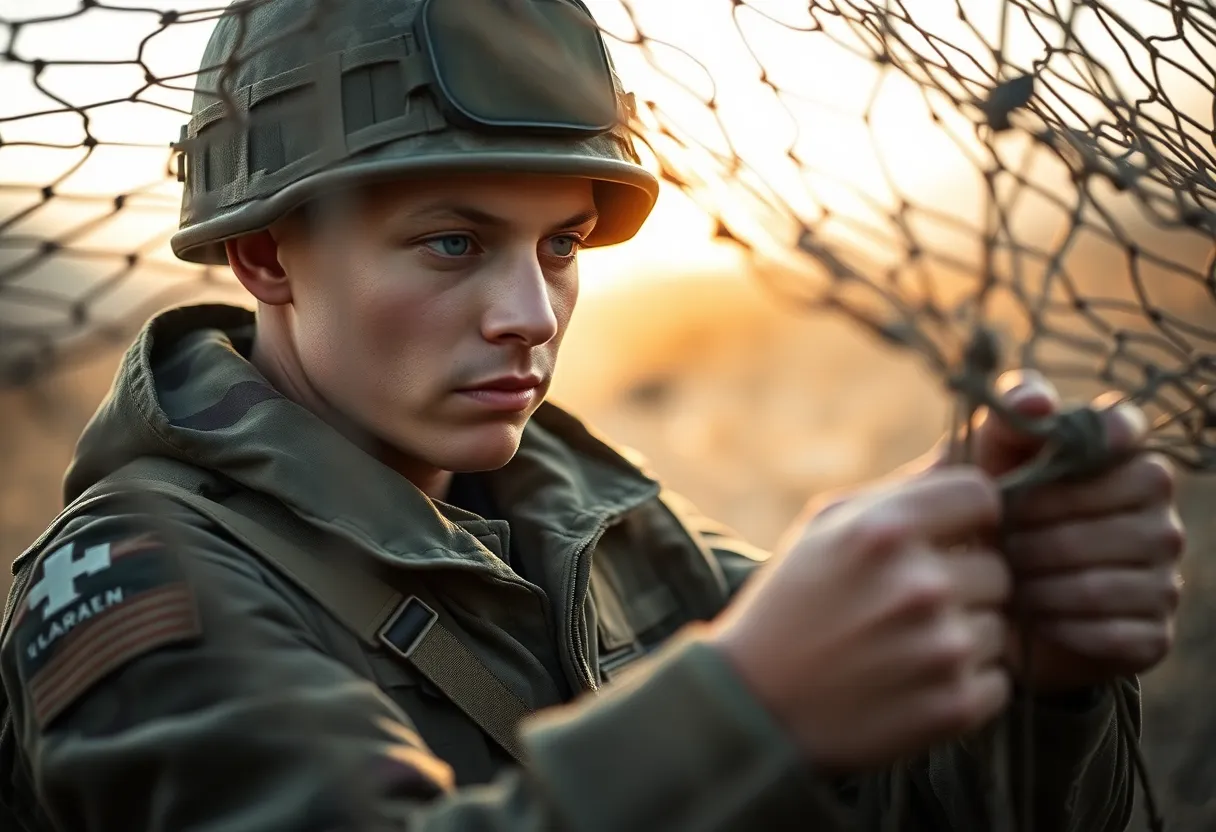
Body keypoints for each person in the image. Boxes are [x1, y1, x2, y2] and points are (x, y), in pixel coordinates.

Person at [0, 0, 1184, 829]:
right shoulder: (139, 574)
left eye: (560, 246)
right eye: (452, 242)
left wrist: (1031, 674)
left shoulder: (587, 517)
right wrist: (748, 711)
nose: (529, 314)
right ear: (267, 256)